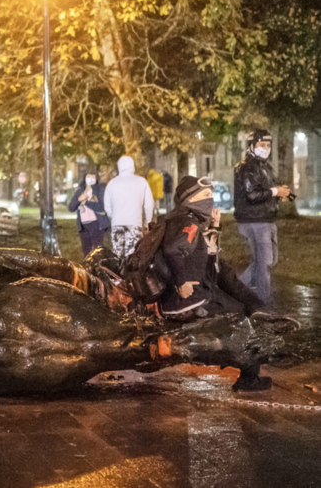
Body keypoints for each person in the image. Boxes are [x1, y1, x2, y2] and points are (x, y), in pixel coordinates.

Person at [157, 176, 297, 391]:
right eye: (204, 196)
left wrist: (215, 227)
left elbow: (200, 251)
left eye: (210, 196)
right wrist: (182, 282)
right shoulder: (189, 223)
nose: (210, 200)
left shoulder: (183, 219)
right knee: (241, 318)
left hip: (197, 290)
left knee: (235, 288)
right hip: (192, 298)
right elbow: (173, 249)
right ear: (190, 199)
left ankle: (260, 314)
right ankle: (250, 377)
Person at [233, 128, 290, 306]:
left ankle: (236, 289)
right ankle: (263, 302)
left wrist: (281, 194)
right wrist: (275, 191)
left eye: (268, 145)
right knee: (264, 264)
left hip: (265, 219)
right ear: (252, 146)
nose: (265, 148)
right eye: (261, 145)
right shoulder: (248, 167)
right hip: (254, 220)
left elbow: (267, 190)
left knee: (267, 261)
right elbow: (252, 195)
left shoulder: (264, 166)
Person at [104, 156, 154, 266]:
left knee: (117, 254)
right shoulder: (141, 182)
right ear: (133, 166)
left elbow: (107, 207)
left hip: (117, 223)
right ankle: (130, 280)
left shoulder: (112, 183)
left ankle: (117, 278)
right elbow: (149, 204)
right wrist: (147, 221)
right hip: (134, 224)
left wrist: (115, 215)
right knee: (132, 256)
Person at [68, 172, 110, 257]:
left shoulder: (99, 191)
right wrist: (79, 199)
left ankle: (98, 269)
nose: (90, 178)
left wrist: (86, 201)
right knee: (86, 252)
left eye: (93, 176)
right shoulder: (80, 191)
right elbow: (71, 208)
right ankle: (88, 269)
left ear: (96, 178)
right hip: (83, 226)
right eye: (88, 176)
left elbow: (101, 208)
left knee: (97, 252)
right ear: (85, 178)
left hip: (96, 225)